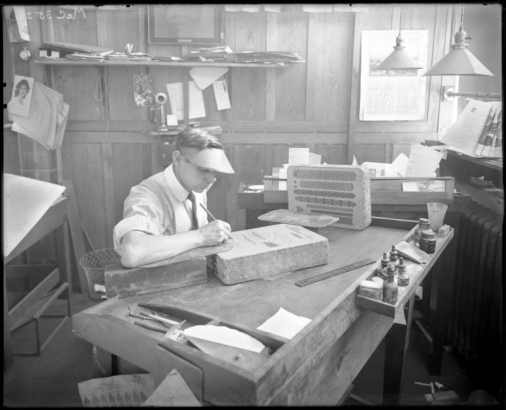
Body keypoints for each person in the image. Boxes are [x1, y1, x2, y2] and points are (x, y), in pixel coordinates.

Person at [113, 128, 235, 268]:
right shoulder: (146, 195)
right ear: (178, 159)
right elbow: (132, 252)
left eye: (214, 171)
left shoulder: (197, 187)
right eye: (203, 169)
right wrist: (201, 236)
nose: (211, 179)